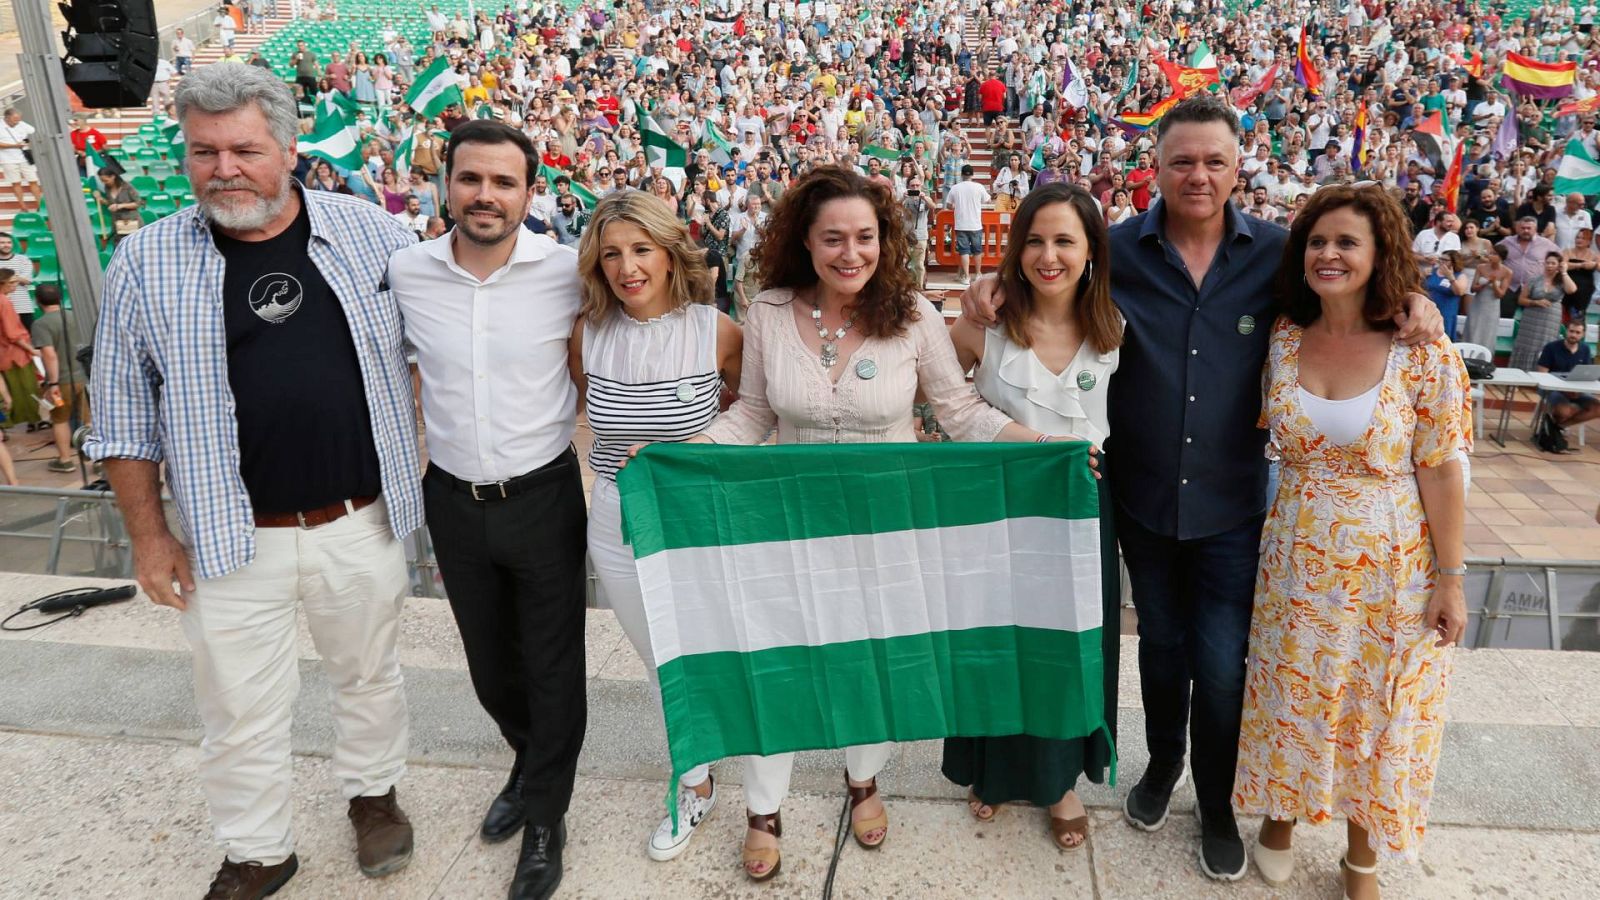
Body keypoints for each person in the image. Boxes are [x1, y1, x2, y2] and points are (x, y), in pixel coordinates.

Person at [959, 94, 1443, 881]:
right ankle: (1161, 766)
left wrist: (1412, 302)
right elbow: (1045, 294)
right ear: (1155, 166)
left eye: (1215, 160)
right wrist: (989, 296)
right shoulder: (1112, 251)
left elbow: (1348, 293)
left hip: (1231, 503)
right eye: (1182, 159)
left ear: (1237, 165)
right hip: (1142, 497)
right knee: (1159, 647)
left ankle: (1215, 802)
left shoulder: (1277, 255)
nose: (1198, 174)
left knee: (1222, 664)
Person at [83, 64, 421, 899]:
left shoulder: (372, 233)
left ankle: (373, 797)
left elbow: (432, 353)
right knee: (235, 706)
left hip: (360, 519)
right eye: (204, 152)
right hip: (230, 536)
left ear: (290, 147)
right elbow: (122, 414)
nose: (223, 170)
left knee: (370, 673)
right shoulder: (145, 259)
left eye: (244, 149)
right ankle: (257, 848)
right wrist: (150, 536)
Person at [687, 166, 1065, 882]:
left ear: (885, 242)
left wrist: (1044, 446)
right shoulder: (767, 309)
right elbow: (753, 414)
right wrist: (683, 455)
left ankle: (863, 778)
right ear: (806, 239)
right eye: (833, 238)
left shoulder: (915, 314)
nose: (850, 253)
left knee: (873, 660)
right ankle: (764, 807)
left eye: (865, 237)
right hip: (788, 525)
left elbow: (960, 414)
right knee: (779, 663)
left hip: (887, 526)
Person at [1237, 184, 1469, 900]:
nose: (1329, 254)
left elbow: (1441, 465)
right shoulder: (1281, 335)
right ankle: (1280, 815)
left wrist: (1451, 578)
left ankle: (1360, 857)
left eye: (1347, 243)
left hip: (1389, 560)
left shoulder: (1419, 348)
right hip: (1297, 553)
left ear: (1381, 256)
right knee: (1291, 690)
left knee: (1374, 707)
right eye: (1317, 242)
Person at [386, 120, 586, 900]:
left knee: (552, 662)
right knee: (490, 666)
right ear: (446, 185)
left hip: (543, 496)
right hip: (454, 499)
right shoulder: (406, 270)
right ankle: (528, 760)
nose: (485, 196)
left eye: (504, 183)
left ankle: (545, 816)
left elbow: (668, 299)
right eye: (471, 179)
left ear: (531, 193)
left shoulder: (568, 271)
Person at [942, 183, 1121, 852]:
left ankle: (1062, 780)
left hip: (1080, 513)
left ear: (1091, 252)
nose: (1050, 255)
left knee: (1070, 646)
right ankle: (990, 767)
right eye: (1036, 241)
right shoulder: (980, 326)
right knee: (997, 641)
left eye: (1065, 241)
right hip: (997, 512)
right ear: (1016, 251)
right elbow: (939, 400)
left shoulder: (1115, 328)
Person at [569, 191, 743, 862]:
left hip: (698, 514)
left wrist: (692, 452)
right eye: (611, 253)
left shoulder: (717, 330)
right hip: (616, 514)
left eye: (641, 249)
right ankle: (696, 780)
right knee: (658, 656)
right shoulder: (587, 332)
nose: (626, 267)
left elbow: (749, 412)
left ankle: (732, 751)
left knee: (710, 643)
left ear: (671, 255)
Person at [28, 284, 88, 473]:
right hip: (83, 376)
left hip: (61, 380)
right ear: (61, 298)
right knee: (88, 420)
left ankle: (65, 460)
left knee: (60, 420)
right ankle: (98, 461)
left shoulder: (41, 324)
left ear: (37, 301)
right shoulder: (74, 316)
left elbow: (49, 354)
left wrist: (52, 383)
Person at [1511, 251, 1575, 371]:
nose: (1549, 265)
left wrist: (1564, 272)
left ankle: (1542, 373)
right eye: (1548, 263)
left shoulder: (1561, 281)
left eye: (1553, 263)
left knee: (1546, 344)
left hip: (1550, 320)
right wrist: (1535, 302)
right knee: (1527, 345)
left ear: (1558, 265)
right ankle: (1521, 372)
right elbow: (1521, 300)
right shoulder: (1534, 279)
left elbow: (1572, 290)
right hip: (1532, 317)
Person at [1536, 319, 1600, 427]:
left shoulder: (1585, 349)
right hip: (1553, 389)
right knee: (1564, 412)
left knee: (1598, 408)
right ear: (1566, 331)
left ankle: (1560, 427)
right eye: (1571, 331)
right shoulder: (1551, 347)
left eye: (1577, 332)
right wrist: (1564, 390)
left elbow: (1586, 375)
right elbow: (1542, 375)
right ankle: (1555, 429)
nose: (1573, 335)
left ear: (1583, 334)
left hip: (1577, 390)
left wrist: (1578, 391)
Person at [0, 267, 39, 439]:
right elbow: (13, 334)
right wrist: (31, 350)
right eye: (13, 282)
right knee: (27, 389)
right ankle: (30, 420)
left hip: (4, 353)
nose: (15, 284)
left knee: (7, 391)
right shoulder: (4, 302)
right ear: (4, 284)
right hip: (15, 355)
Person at [945, 164, 990, 284]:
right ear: (973, 174)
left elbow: (949, 205)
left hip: (961, 223)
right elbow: (987, 199)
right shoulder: (979, 186)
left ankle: (966, 276)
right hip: (975, 223)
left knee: (964, 251)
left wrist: (955, 206)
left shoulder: (955, 188)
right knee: (977, 250)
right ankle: (978, 273)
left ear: (961, 174)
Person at [1464, 244, 1512, 351]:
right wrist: (1485, 284)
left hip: (1492, 307)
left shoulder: (1507, 272)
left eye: (1494, 254)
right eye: (1490, 253)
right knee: (1473, 329)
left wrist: (1494, 283)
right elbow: (1472, 288)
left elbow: (1500, 294)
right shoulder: (1481, 267)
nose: (1491, 256)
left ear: (1501, 257)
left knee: (1487, 333)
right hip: (1478, 304)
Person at [0, 109, 40, 212]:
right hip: (8, 159)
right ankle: (23, 206)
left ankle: (40, 204)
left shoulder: (22, 124)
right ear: (7, 118)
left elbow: (34, 133)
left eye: (18, 119)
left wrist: (27, 141)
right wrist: (14, 145)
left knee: (33, 180)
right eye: (14, 120)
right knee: (16, 182)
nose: (17, 122)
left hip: (25, 157)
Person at [1423, 251, 1469, 341]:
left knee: (1443, 339)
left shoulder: (1460, 276)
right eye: (1440, 259)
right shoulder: (1431, 271)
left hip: (1446, 313)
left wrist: (1450, 277)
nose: (1441, 261)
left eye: (1445, 260)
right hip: (1429, 311)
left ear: (1453, 262)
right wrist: (1422, 276)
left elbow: (1459, 292)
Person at [94, 171, 144, 243]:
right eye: (102, 181)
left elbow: (138, 203)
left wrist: (120, 206)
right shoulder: (107, 188)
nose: (104, 183)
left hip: (131, 222)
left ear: (113, 177)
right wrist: (101, 199)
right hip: (117, 223)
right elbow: (110, 204)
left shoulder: (127, 186)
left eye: (106, 180)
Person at [1562, 227, 1599, 324]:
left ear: (1589, 241)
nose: (1579, 240)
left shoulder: (1594, 255)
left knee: (1578, 315)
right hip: (1567, 286)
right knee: (1564, 313)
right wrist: (1581, 265)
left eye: (1583, 238)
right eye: (1577, 237)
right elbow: (1563, 265)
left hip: (1584, 289)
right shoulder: (1567, 251)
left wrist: (1594, 264)